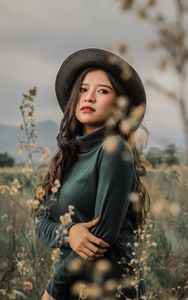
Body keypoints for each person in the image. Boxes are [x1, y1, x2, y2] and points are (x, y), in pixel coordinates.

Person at [35, 48, 150, 300]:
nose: (89, 97)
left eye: (103, 91)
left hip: (109, 289)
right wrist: (70, 232)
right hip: (73, 287)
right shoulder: (66, 156)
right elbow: (40, 224)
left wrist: (51, 291)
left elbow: (100, 239)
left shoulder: (114, 149)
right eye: (84, 89)